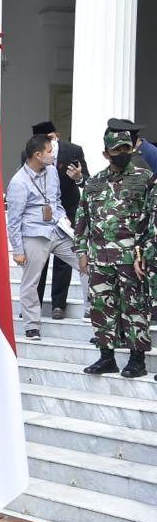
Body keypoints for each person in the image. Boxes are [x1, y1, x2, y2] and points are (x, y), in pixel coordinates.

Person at [75, 129, 153, 377]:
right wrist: (81, 250)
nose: (122, 154)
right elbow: (82, 217)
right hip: (100, 257)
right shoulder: (94, 182)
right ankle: (106, 357)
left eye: (125, 149)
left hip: (132, 258)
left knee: (135, 308)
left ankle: (136, 360)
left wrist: (146, 253)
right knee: (101, 307)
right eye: (116, 150)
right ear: (106, 153)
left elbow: (151, 220)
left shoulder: (145, 178)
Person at [6, 135, 89, 342]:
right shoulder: (18, 182)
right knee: (30, 281)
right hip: (34, 234)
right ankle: (32, 325)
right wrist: (17, 250)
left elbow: (55, 200)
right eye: (50, 151)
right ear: (38, 155)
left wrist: (62, 218)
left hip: (57, 230)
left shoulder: (51, 171)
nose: (54, 154)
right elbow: (13, 220)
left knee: (87, 264)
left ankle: (92, 311)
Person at [28, 121, 88, 320]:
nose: (50, 144)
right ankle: (34, 305)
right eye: (46, 141)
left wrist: (79, 177)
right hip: (41, 216)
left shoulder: (73, 150)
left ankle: (58, 305)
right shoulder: (30, 154)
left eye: (52, 139)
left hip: (68, 212)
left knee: (64, 261)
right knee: (40, 260)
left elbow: (87, 180)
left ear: (57, 136)